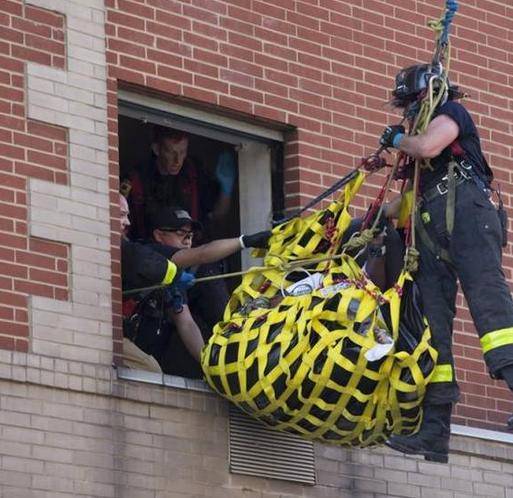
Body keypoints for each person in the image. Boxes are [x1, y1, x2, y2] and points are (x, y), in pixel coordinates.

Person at [378, 63, 513, 463]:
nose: (407, 112)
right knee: (431, 330)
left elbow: (426, 146)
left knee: (492, 311)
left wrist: (399, 138)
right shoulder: (417, 169)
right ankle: (434, 434)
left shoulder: (450, 114)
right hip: (430, 230)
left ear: (429, 95)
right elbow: (402, 203)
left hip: (468, 215)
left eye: (410, 103)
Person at [142, 206, 271, 377]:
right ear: (159, 235)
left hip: (163, 347)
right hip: (148, 347)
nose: (188, 240)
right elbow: (202, 254)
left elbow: (185, 322)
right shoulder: (151, 253)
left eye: (191, 235)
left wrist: (211, 366)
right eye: (181, 233)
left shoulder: (176, 274)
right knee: (205, 268)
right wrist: (245, 241)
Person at [126, 126, 236, 241]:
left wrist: (226, 190)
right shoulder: (137, 179)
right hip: (150, 252)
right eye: (171, 152)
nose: (177, 160)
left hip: (191, 250)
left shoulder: (195, 174)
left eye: (182, 152)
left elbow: (218, 214)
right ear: (157, 149)